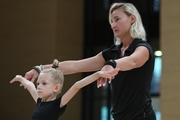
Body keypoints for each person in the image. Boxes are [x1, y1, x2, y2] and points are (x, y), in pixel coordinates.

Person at [24, 2, 156, 120]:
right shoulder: (112, 52)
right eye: (111, 21)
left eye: (117, 19)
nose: (113, 25)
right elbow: (75, 66)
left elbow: (132, 61)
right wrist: (40, 68)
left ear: (132, 19)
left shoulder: (143, 48)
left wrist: (111, 64)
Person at [10, 59, 120, 120]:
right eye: (38, 83)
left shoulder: (57, 105)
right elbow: (30, 86)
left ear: (56, 88)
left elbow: (77, 85)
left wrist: (97, 75)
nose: (38, 86)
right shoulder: (39, 101)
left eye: (44, 83)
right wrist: (20, 78)